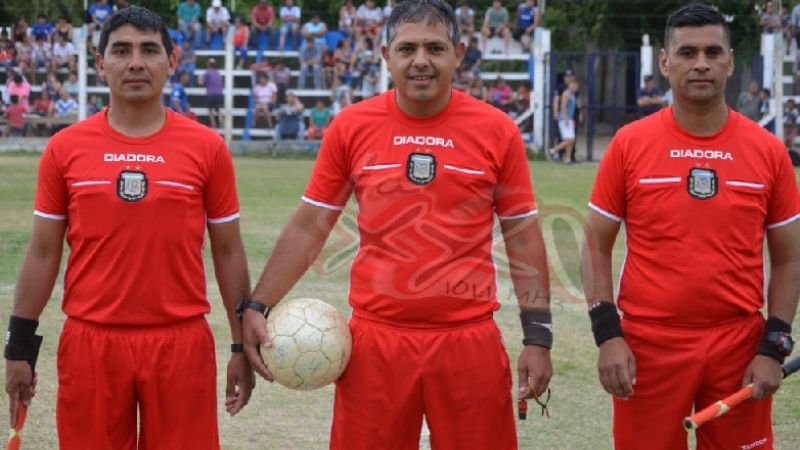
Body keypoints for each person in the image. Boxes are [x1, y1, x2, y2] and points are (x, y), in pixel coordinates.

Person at [240, 1, 552, 449]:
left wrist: (538, 337)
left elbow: (522, 237)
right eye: (406, 48)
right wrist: (259, 304)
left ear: (458, 53)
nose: (420, 60)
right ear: (386, 55)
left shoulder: (496, 130)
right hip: (376, 342)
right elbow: (311, 225)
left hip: (467, 341)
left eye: (434, 48)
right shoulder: (352, 126)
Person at [3, 7, 254, 450]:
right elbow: (43, 254)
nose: (135, 62)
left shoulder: (207, 148)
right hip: (90, 344)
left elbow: (229, 252)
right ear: (100, 63)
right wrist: (18, 348)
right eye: (121, 50)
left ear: (171, 61)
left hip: (180, 344)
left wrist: (238, 347)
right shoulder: (65, 149)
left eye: (149, 50)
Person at [581, 4, 800, 450]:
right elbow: (594, 244)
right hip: (649, 346)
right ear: (665, 62)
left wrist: (773, 347)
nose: (700, 63)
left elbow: (790, 255)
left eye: (712, 52)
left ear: (730, 61)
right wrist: (608, 336)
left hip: (738, 344)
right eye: (687, 53)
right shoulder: (630, 144)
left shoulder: (768, 151)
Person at [549, 78, 579, 163]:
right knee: (569, 139)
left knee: (571, 139)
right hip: (564, 119)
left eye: (577, 86)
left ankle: (568, 158)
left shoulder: (573, 94)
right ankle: (554, 150)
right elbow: (563, 106)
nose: (576, 88)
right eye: (575, 86)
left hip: (569, 119)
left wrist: (571, 119)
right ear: (571, 85)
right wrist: (566, 118)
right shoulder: (566, 94)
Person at [199, 58, 224, 129]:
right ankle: (221, 122)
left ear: (208, 64)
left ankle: (213, 124)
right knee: (218, 109)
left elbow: (201, 83)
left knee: (210, 109)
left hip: (211, 94)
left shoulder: (207, 72)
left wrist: (199, 78)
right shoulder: (217, 73)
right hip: (219, 93)